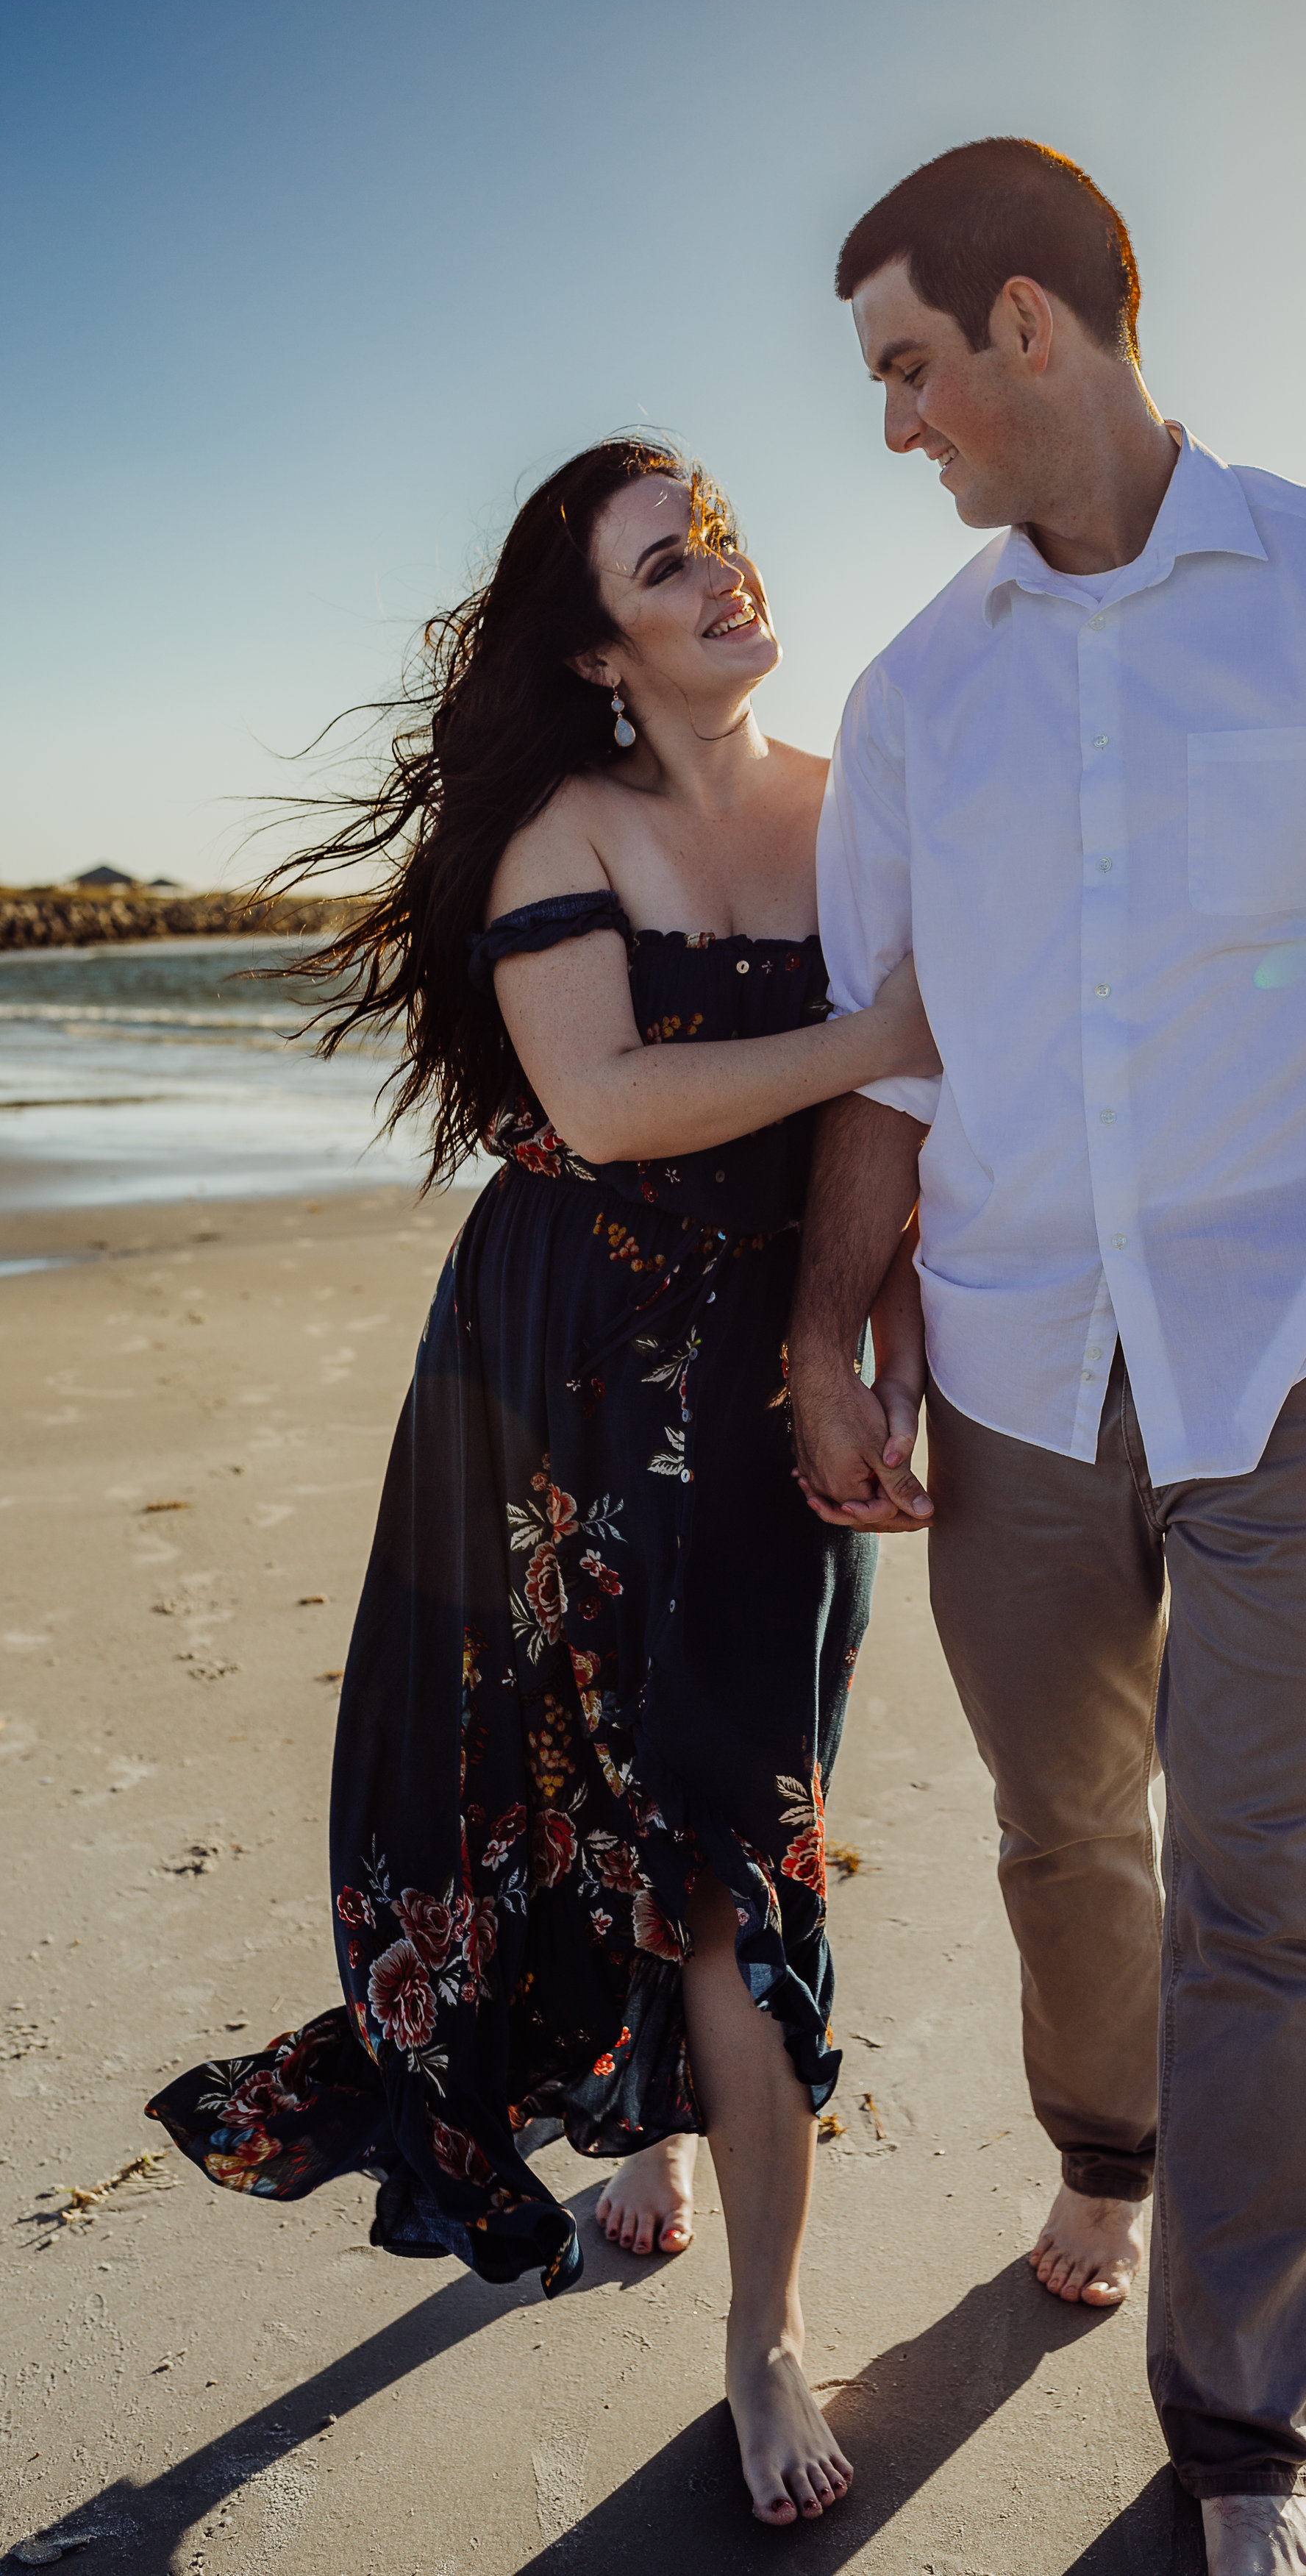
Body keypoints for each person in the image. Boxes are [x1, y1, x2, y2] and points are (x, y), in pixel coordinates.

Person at [788, 140, 1306, 2576]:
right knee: (1066, 1847)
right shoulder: (919, 696)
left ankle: (1239, 2437)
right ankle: (1101, 2154)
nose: (899, 427)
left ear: (1033, 326)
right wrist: (837, 1340)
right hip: (1017, 1372)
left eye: (910, 368)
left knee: (1275, 1903)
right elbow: (887, 1062)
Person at [146, 436, 935, 2530]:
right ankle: (697, 2209)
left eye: (725, 541)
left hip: (776, 1388)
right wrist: (878, 1036)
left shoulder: (861, 816)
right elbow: (600, 1091)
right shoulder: (560, 834)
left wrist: (888, 1344)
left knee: (747, 1827)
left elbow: (918, 1117)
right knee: (603, 1804)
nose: (721, 577)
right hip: (563, 1381)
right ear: (599, 649)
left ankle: (755, 2307)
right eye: (667, 565)